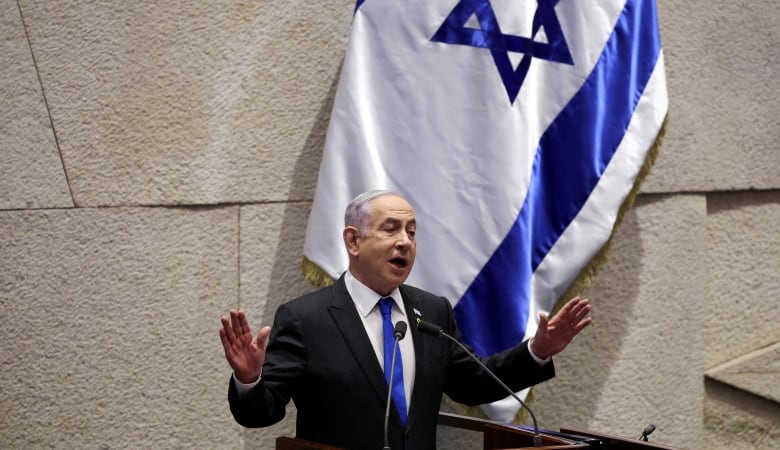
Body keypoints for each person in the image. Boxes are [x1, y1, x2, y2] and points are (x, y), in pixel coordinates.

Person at [219, 189, 591, 449]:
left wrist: (538, 350)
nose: (405, 242)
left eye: (412, 232)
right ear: (353, 241)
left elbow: (474, 385)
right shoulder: (305, 319)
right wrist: (250, 380)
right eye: (391, 229)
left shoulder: (432, 312)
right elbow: (261, 414)